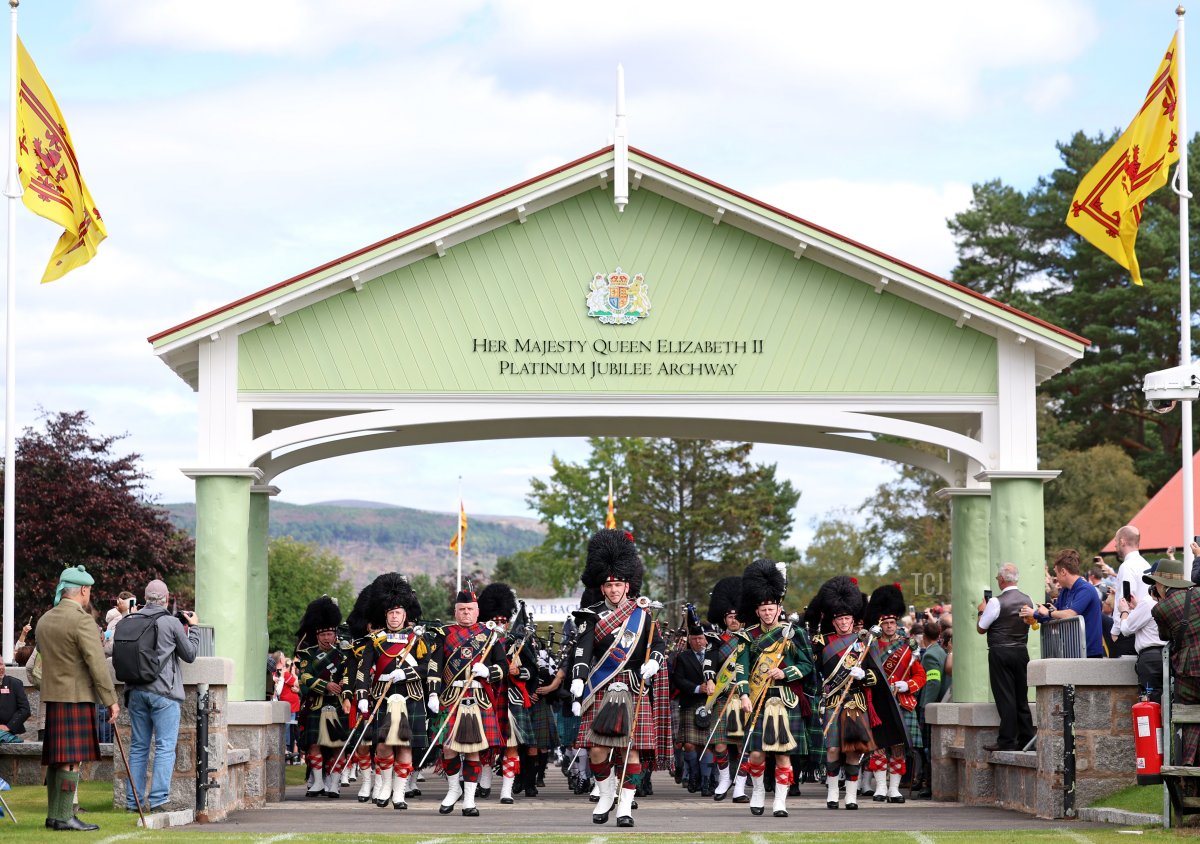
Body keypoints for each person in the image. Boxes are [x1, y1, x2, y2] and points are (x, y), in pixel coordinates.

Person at [569, 529, 672, 828]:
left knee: (632, 751)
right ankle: (605, 794)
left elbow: (659, 644)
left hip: (633, 686)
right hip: (600, 687)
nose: (614, 590)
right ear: (602, 587)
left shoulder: (642, 614)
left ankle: (625, 807)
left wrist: (654, 661)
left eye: (619, 584)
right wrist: (578, 679)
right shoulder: (590, 615)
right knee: (598, 750)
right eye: (609, 585)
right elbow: (583, 651)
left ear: (628, 585)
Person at [809, 575, 904, 811]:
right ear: (834, 620)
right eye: (840, 619)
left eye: (847, 618)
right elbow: (813, 672)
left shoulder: (865, 641)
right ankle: (832, 792)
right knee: (832, 748)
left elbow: (876, 675)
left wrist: (864, 676)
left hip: (856, 700)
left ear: (853, 619)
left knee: (854, 750)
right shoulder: (822, 642)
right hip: (832, 699)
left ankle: (850, 796)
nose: (844, 623)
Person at [36, 565, 118, 831]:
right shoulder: (82, 620)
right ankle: (64, 817)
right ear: (83, 590)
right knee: (71, 760)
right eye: (89, 590)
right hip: (77, 696)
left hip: (54, 696)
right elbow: (97, 663)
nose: (89, 594)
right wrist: (110, 699)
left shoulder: (44, 620)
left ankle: (53, 815)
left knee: (57, 758)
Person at [732, 559, 814, 819]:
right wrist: (744, 695)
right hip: (758, 698)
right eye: (764, 609)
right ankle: (757, 792)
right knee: (756, 754)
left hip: (785, 698)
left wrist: (785, 672)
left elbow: (807, 665)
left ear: (778, 608)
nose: (768, 613)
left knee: (782, 756)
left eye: (771, 608)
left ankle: (780, 801)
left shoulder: (794, 633)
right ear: (757, 611)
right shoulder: (748, 636)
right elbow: (741, 668)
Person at [123, 579, 200, 813]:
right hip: (164, 693)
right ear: (166, 599)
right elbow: (190, 654)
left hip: (135, 690)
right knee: (165, 746)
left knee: (138, 747)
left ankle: (132, 802)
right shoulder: (170, 622)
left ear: (145, 598)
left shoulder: (131, 619)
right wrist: (194, 627)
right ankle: (158, 800)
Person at [428, 584, 505, 817]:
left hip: (478, 698)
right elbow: (434, 666)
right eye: (461, 609)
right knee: (449, 748)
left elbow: (504, 667)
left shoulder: (490, 635)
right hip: (451, 697)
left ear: (477, 611)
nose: (466, 613)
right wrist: (432, 693)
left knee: (473, 751)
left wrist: (488, 671)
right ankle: (453, 790)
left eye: (470, 609)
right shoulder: (444, 634)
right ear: (455, 612)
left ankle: (469, 800)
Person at [355, 574, 430, 810]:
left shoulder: (417, 638)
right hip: (382, 696)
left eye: (398, 612)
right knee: (383, 746)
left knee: (405, 746)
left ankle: (399, 794)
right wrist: (362, 697)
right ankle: (385, 787)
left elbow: (429, 667)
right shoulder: (375, 639)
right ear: (385, 615)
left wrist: (406, 673)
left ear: (405, 615)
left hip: (411, 695)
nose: (394, 616)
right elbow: (362, 671)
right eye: (391, 613)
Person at [865, 584, 924, 804]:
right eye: (886, 623)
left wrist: (907, 685)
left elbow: (921, 676)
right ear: (880, 624)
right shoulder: (870, 646)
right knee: (879, 746)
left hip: (900, 701)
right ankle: (880, 787)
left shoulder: (907, 647)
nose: (890, 626)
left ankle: (894, 789)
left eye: (892, 622)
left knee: (898, 746)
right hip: (878, 701)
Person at [1149, 552, 1200, 774]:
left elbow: (1164, 637)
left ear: (1161, 584)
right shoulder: (1199, 593)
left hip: (1190, 674)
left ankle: (1188, 763)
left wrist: (1161, 603)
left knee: (1188, 716)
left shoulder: (1160, 609)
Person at [295, 596, 349, 799]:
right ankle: (317, 782)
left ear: (335, 634)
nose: (327, 638)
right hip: (317, 705)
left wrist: (344, 684)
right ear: (317, 635)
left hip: (337, 705)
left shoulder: (345, 655)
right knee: (314, 744)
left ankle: (334, 783)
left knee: (338, 745)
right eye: (324, 634)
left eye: (330, 634)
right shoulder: (307, 654)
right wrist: (326, 685)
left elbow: (350, 675)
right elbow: (305, 677)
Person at [979, 563, 1036, 751]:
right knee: (1021, 696)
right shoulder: (1029, 600)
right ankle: (1027, 738)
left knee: (1005, 696)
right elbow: (1032, 623)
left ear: (1002, 580)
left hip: (1000, 651)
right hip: (1021, 650)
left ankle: (1007, 740)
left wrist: (981, 610)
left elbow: (981, 628)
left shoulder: (995, 602)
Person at [702, 575, 744, 802]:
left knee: (741, 744)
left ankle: (740, 785)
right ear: (724, 618)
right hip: (722, 696)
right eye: (729, 616)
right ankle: (725, 778)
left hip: (744, 696)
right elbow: (709, 663)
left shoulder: (750, 640)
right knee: (719, 744)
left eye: (737, 616)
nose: (733, 620)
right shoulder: (716, 640)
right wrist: (709, 680)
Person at [1029, 549, 1105, 658]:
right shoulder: (1065, 591)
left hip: (1088, 654)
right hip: (1072, 652)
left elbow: (1069, 614)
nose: (1055, 577)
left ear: (1063, 572)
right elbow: (1056, 615)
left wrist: (1048, 613)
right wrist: (1036, 614)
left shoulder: (1086, 589)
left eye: (1056, 573)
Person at [670, 607, 711, 796]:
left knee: (708, 744)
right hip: (690, 702)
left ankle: (706, 780)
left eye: (701, 638)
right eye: (694, 639)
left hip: (710, 704)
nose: (698, 641)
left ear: (706, 639)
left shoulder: (715, 656)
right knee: (689, 745)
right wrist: (697, 688)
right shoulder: (683, 656)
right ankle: (693, 774)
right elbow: (678, 679)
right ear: (690, 640)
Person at [1117, 561, 1167, 702]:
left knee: (1150, 701)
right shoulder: (1167, 601)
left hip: (1150, 658)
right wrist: (1137, 607)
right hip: (1167, 655)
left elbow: (1126, 629)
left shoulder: (1147, 602)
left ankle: (1154, 725)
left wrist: (1124, 612)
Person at [913, 620, 945, 799]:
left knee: (927, 748)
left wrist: (926, 705)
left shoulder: (930, 655)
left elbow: (933, 681)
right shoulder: (940, 651)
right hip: (935, 703)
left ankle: (928, 783)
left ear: (924, 637)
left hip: (929, 705)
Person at [0, 660, 31, 743]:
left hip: (9, 732)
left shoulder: (15, 683)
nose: (1, 668)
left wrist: (8, 727)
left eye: (1, 664)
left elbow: (25, 710)